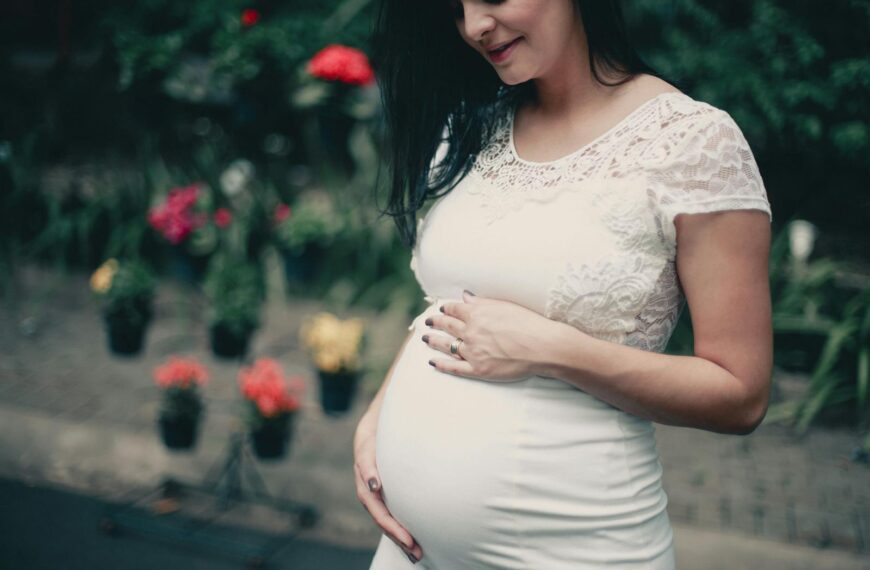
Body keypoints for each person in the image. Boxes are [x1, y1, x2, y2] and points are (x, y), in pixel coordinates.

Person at [354, 0, 773, 568]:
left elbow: (740, 395)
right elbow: (448, 304)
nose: (475, 26)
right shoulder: (475, 124)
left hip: (573, 547)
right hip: (411, 553)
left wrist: (550, 350)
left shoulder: (693, 143)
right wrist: (378, 417)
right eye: (455, 8)